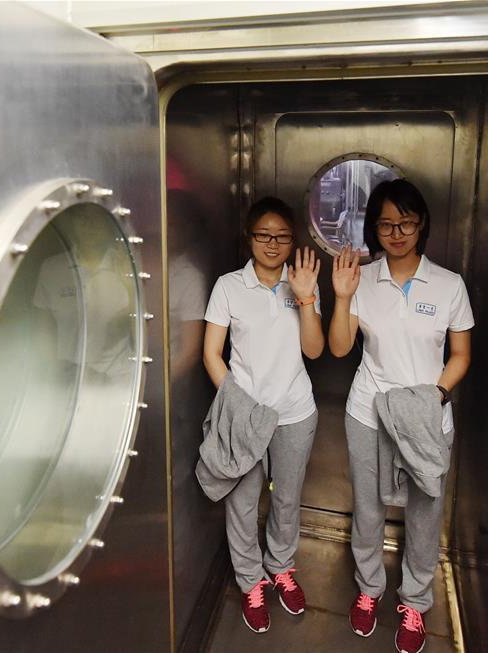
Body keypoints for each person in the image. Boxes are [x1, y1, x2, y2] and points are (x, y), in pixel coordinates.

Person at [328, 179, 474, 653]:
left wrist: (434, 397)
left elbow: (460, 355)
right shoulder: (362, 279)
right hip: (368, 413)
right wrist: (343, 297)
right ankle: (369, 588)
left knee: (425, 512)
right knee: (368, 507)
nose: (396, 233)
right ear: (373, 228)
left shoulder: (449, 285)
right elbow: (339, 348)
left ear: (421, 224)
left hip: (428, 418)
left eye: (406, 223)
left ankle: (414, 600)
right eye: (386, 224)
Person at [202, 196, 325, 633]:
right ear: (249, 237)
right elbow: (212, 354)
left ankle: (281, 567)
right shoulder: (228, 286)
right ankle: (251, 581)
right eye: (264, 235)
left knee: (286, 498)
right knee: (242, 501)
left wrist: (306, 298)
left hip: (295, 412)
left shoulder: (303, 284)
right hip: (245, 414)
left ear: (293, 241)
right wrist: (239, 406)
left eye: (282, 236)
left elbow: (314, 350)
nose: (272, 243)